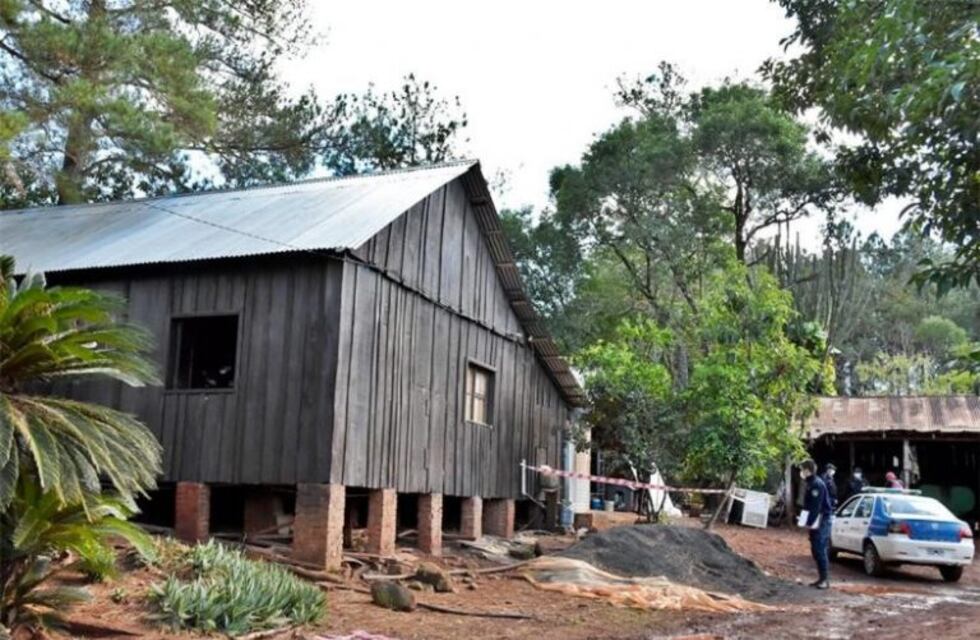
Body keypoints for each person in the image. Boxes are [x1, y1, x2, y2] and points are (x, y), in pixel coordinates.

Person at [800, 459, 833, 589]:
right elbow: (808, 506)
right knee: (815, 549)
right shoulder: (811, 483)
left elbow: (815, 507)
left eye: (802, 469)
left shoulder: (816, 484)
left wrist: (808, 522)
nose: (801, 472)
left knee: (820, 548)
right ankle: (821, 578)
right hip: (816, 520)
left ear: (807, 470)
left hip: (822, 519)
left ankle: (825, 579)